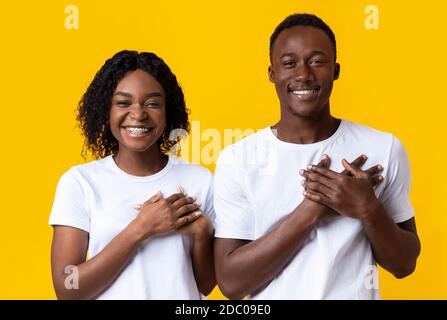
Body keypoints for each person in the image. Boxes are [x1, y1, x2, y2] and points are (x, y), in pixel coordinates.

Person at [213, 13, 420, 299]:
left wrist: (368, 208)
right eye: (289, 63)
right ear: (272, 73)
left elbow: (404, 264)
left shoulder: (383, 148)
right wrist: (311, 211)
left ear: (336, 70)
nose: (303, 74)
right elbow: (231, 283)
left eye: (317, 61)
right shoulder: (238, 160)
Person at [49, 50, 216, 299]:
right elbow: (67, 288)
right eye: (124, 102)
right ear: (106, 110)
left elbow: (205, 286)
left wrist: (203, 235)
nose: (138, 114)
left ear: (168, 111)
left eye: (152, 103)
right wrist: (141, 228)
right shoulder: (80, 183)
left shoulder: (200, 181)